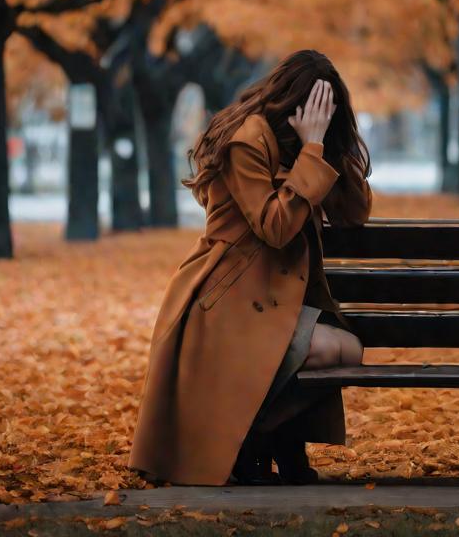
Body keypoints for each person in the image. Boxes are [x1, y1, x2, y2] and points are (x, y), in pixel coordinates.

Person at [127, 50, 374, 486]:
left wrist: (331, 143)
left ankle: (257, 434)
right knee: (332, 350)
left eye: (329, 111)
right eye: (316, 109)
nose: (321, 118)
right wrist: (313, 148)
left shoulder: (302, 145)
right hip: (231, 298)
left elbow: (354, 212)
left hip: (273, 297)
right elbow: (274, 227)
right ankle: (255, 437)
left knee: (346, 350)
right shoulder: (249, 139)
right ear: (293, 103)